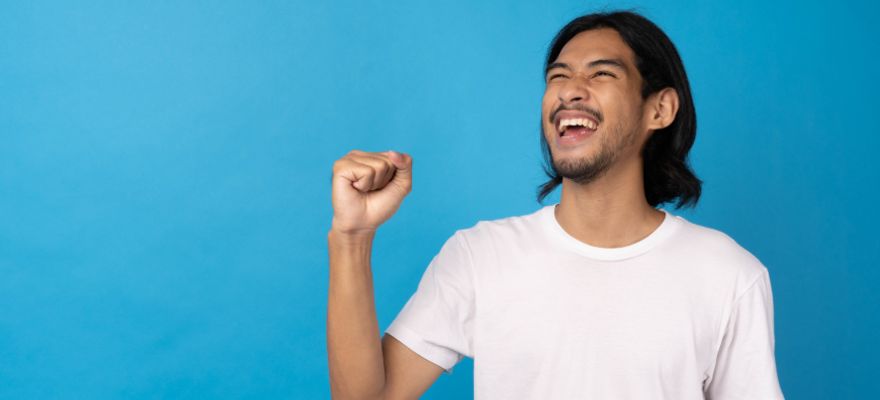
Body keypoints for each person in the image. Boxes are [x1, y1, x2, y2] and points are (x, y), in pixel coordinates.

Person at [327, 10, 785, 400]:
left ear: (660, 110)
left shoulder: (729, 275)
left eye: (602, 73)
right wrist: (352, 237)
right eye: (558, 77)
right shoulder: (480, 255)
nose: (570, 90)